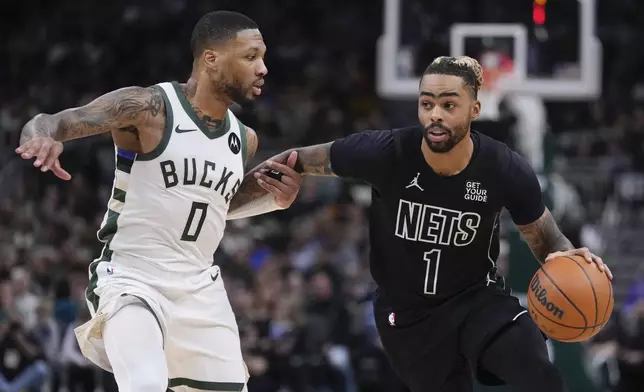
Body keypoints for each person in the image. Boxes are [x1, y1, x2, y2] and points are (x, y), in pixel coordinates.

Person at [242, 56, 614, 392]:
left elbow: (545, 239)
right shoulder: (385, 152)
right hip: (408, 317)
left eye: (449, 104)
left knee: (540, 376)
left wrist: (568, 256)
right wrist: (239, 201)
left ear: (474, 109)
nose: (435, 114)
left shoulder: (504, 168)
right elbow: (296, 159)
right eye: (427, 103)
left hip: (476, 301)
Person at [15, 10, 303, 392]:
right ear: (211, 59)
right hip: (134, 276)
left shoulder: (244, 139)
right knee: (146, 384)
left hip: (200, 288)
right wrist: (42, 136)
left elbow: (215, 206)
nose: (263, 68)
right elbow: (53, 120)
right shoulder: (149, 107)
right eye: (251, 57)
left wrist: (272, 200)